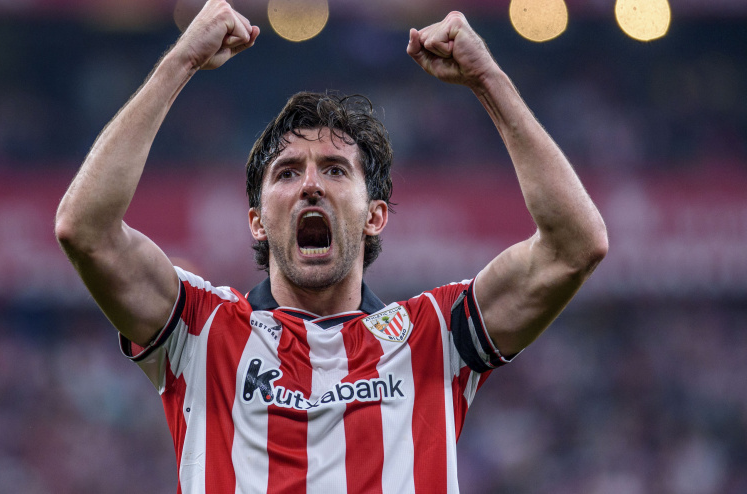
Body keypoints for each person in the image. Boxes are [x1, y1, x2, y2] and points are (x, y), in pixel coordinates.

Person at [54, 0, 608, 492]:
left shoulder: (434, 337)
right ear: (256, 221)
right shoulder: (201, 331)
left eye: (336, 170)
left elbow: (575, 246)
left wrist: (489, 80)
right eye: (288, 172)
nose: (311, 185)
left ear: (375, 217)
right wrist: (180, 63)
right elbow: (85, 230)